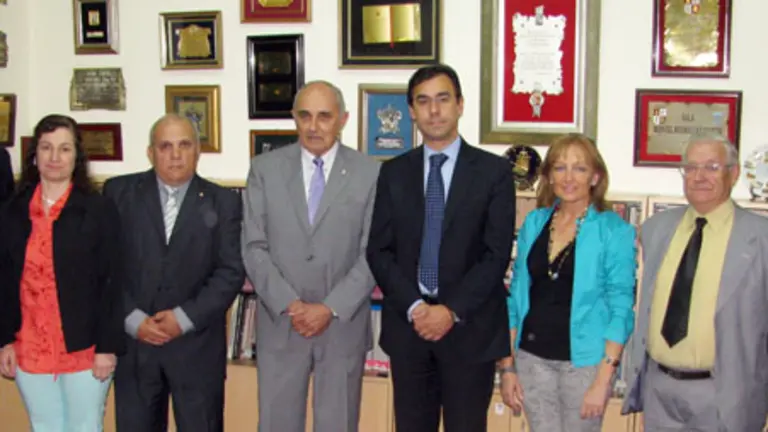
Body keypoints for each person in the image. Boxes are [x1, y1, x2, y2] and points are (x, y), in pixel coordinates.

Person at [366, 64, 517, 432]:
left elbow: (495, 255)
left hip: (469, 332)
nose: (434, 110)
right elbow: (379, 251)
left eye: (443, 99)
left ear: (460, 105)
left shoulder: (493, 172)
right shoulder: (392, 172)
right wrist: (418, 308)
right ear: (412, 111)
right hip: (410, 331)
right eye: (423, 101)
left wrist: (450, 311)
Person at [242, 80, 380, 432]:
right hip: (282, 323)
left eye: (324, 116)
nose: (314, 126)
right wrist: (291, 304)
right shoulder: (264, 169)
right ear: (294, 118)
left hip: (341, 324)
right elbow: (253, 247)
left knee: (338, 424)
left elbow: (374, 252)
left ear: (343, 119)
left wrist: (328, 308)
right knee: (276, 424)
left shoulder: (372, 173)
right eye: (305, 116)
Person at [102, 114, 245, 432]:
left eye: (184, 145)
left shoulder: (224, 202)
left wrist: (183, 318)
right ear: (151, 153)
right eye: (165, 146)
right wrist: (132, 319)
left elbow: (230, 271)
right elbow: (104, 267)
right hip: (135, 347)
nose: (175, 154)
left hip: (196, 348)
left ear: (198, 151)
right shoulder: (118, 194)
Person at [622, 134, 768, 431]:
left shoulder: (761, 237)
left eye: (712, 167)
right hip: (659, 390)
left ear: (734, 173)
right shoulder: (655, 229)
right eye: (690, 168)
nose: (699, 176)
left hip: (724, 393)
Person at [499, 133, 637, 431]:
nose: (569, 177)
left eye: (580, 168)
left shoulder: (614, 230)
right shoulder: (534, 223)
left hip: (585, 366)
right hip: (531, 359)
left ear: (595, 176)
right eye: (560, 168)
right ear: (548, 176)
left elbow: (621, 307)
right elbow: (516, 298)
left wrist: (603, 380)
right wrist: (507, 367)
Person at [0, 114, 125, 431]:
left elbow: (113, 282)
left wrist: (107, 347)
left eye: (64, 149)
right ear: (34, 155)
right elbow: (3, 281)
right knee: (45, 426)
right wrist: (4, 341)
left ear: (77, 156)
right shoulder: (12, 211)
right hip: (29, 345)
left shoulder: (98, 210)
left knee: (84, 426)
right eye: (46, 147)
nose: (55, 158)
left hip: (84, 347)